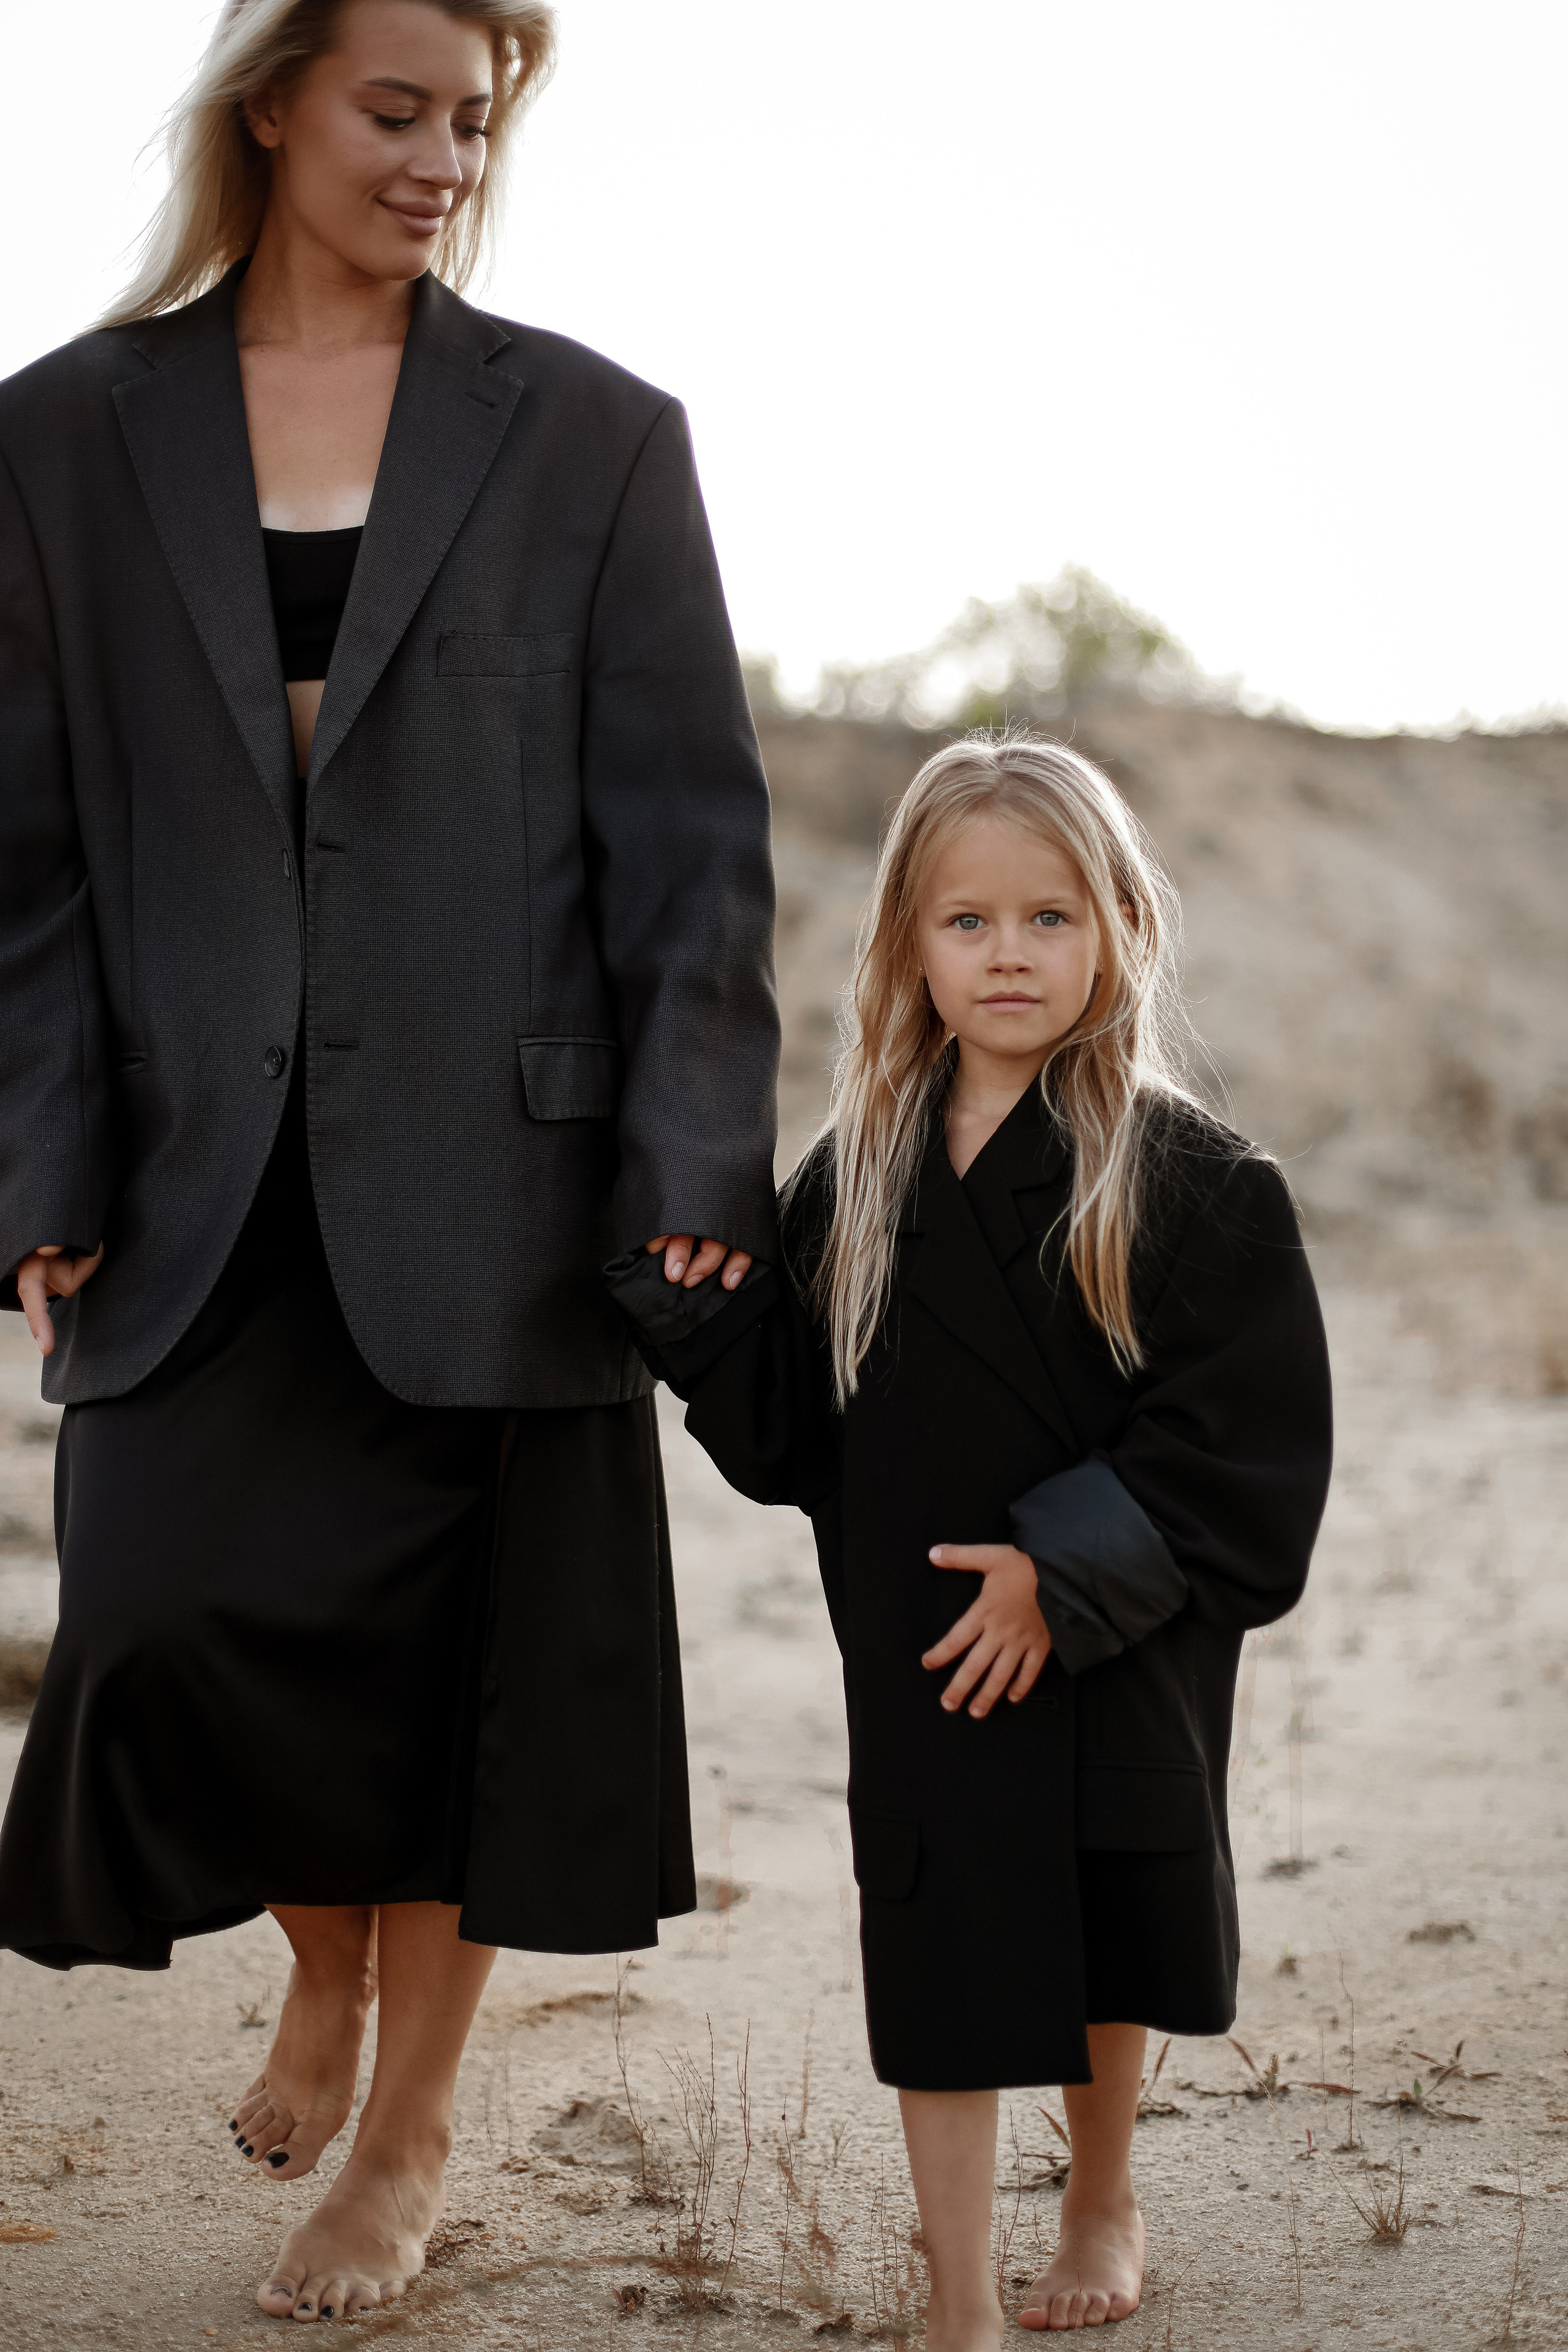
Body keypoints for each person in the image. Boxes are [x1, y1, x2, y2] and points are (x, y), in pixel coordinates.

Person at [0, 0, 778, 2326]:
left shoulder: (596, 439)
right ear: (270, 101)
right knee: (156, 1632)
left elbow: (692, 847)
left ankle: (408, 2127)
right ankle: (314, 1953)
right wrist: (34, 1144)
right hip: (187, 1169)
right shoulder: (58, 436)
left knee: (475, 1693)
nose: (446, 157)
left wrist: (696, 1157)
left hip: (507, 1185)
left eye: (478, 119)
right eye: (399, 109)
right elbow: (20, 853)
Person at [611, 734, 1333, 2341]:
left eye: (1051, 918)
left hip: (1113, 1645)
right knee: (942, 1947)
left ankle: (1099, 2197)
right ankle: (956, 2298)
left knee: (1099, 1923)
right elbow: (794, 1433)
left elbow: (1250, 1452)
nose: (1009, 954)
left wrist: (1061, 1573)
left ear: (1121, 931)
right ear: (907, 947)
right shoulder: (855, 1178)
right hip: (924, 1648)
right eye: (968, 923)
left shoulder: (1200, 1187)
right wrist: (690, 1302)